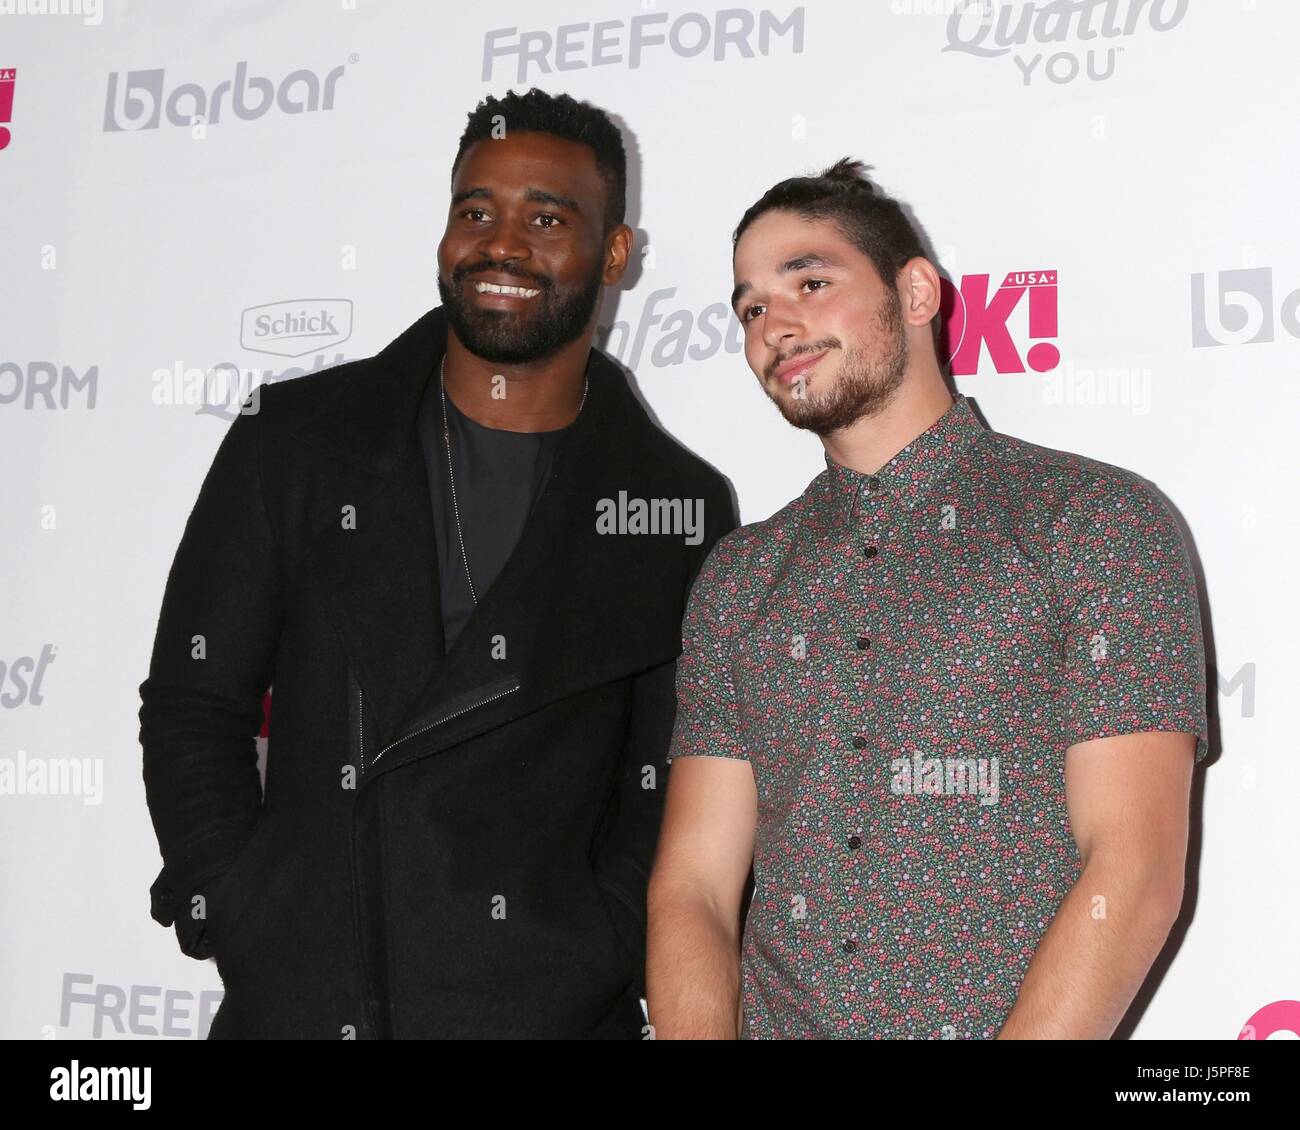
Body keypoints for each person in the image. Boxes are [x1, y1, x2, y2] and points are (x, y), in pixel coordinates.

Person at [140, 88, 736, 1039]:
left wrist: (602, 947)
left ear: (615, 254)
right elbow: (192, 703)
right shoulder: (299, 439)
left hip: (537, 1013)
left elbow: (664, 781)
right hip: (308, 1002)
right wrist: (242, 906)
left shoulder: (674, 507)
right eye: (476, 211)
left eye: (548, 217)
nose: (502, 243)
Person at [646, 158, 1208, 1040]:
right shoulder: (738, 580)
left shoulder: (1094, 523)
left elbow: (1134, 870)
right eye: (751, 308)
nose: (774, 326)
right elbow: (694, 888)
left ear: (915, 294)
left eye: (811, 281)